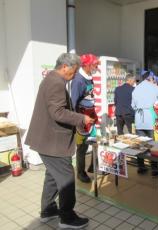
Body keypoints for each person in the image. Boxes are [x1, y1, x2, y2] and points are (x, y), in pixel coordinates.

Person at [25, 53, 94, 229]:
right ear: (65, 66)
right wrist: (81, 119)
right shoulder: (56, 82)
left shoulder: (51, 79)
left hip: (46, 140)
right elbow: (58, 113)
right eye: (74, 70)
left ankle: (48, 210)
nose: (75, 74)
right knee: (67, 178)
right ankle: (67, 217)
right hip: (53, 142)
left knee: (52, 176)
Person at [132, 70, 158, 176]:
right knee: (154, 144)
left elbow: (133, 106)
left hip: (138, 119)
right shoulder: (155, 88)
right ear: (151, 78)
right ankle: (154, 168)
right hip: (152, 118)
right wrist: (156, 103)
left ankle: (141, 167)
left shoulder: (136, 88)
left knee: (140, 144)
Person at [71, 54, 99, 183]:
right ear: (87, 65)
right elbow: (73, 102)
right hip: (82, 117)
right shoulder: (78, 80)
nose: (96, 67)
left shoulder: (89, 77)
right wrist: (78, 120)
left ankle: (93, 166)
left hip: (91, 115)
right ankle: (80, 173)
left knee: (94, 142)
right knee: (82, 147)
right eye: (95, 64)